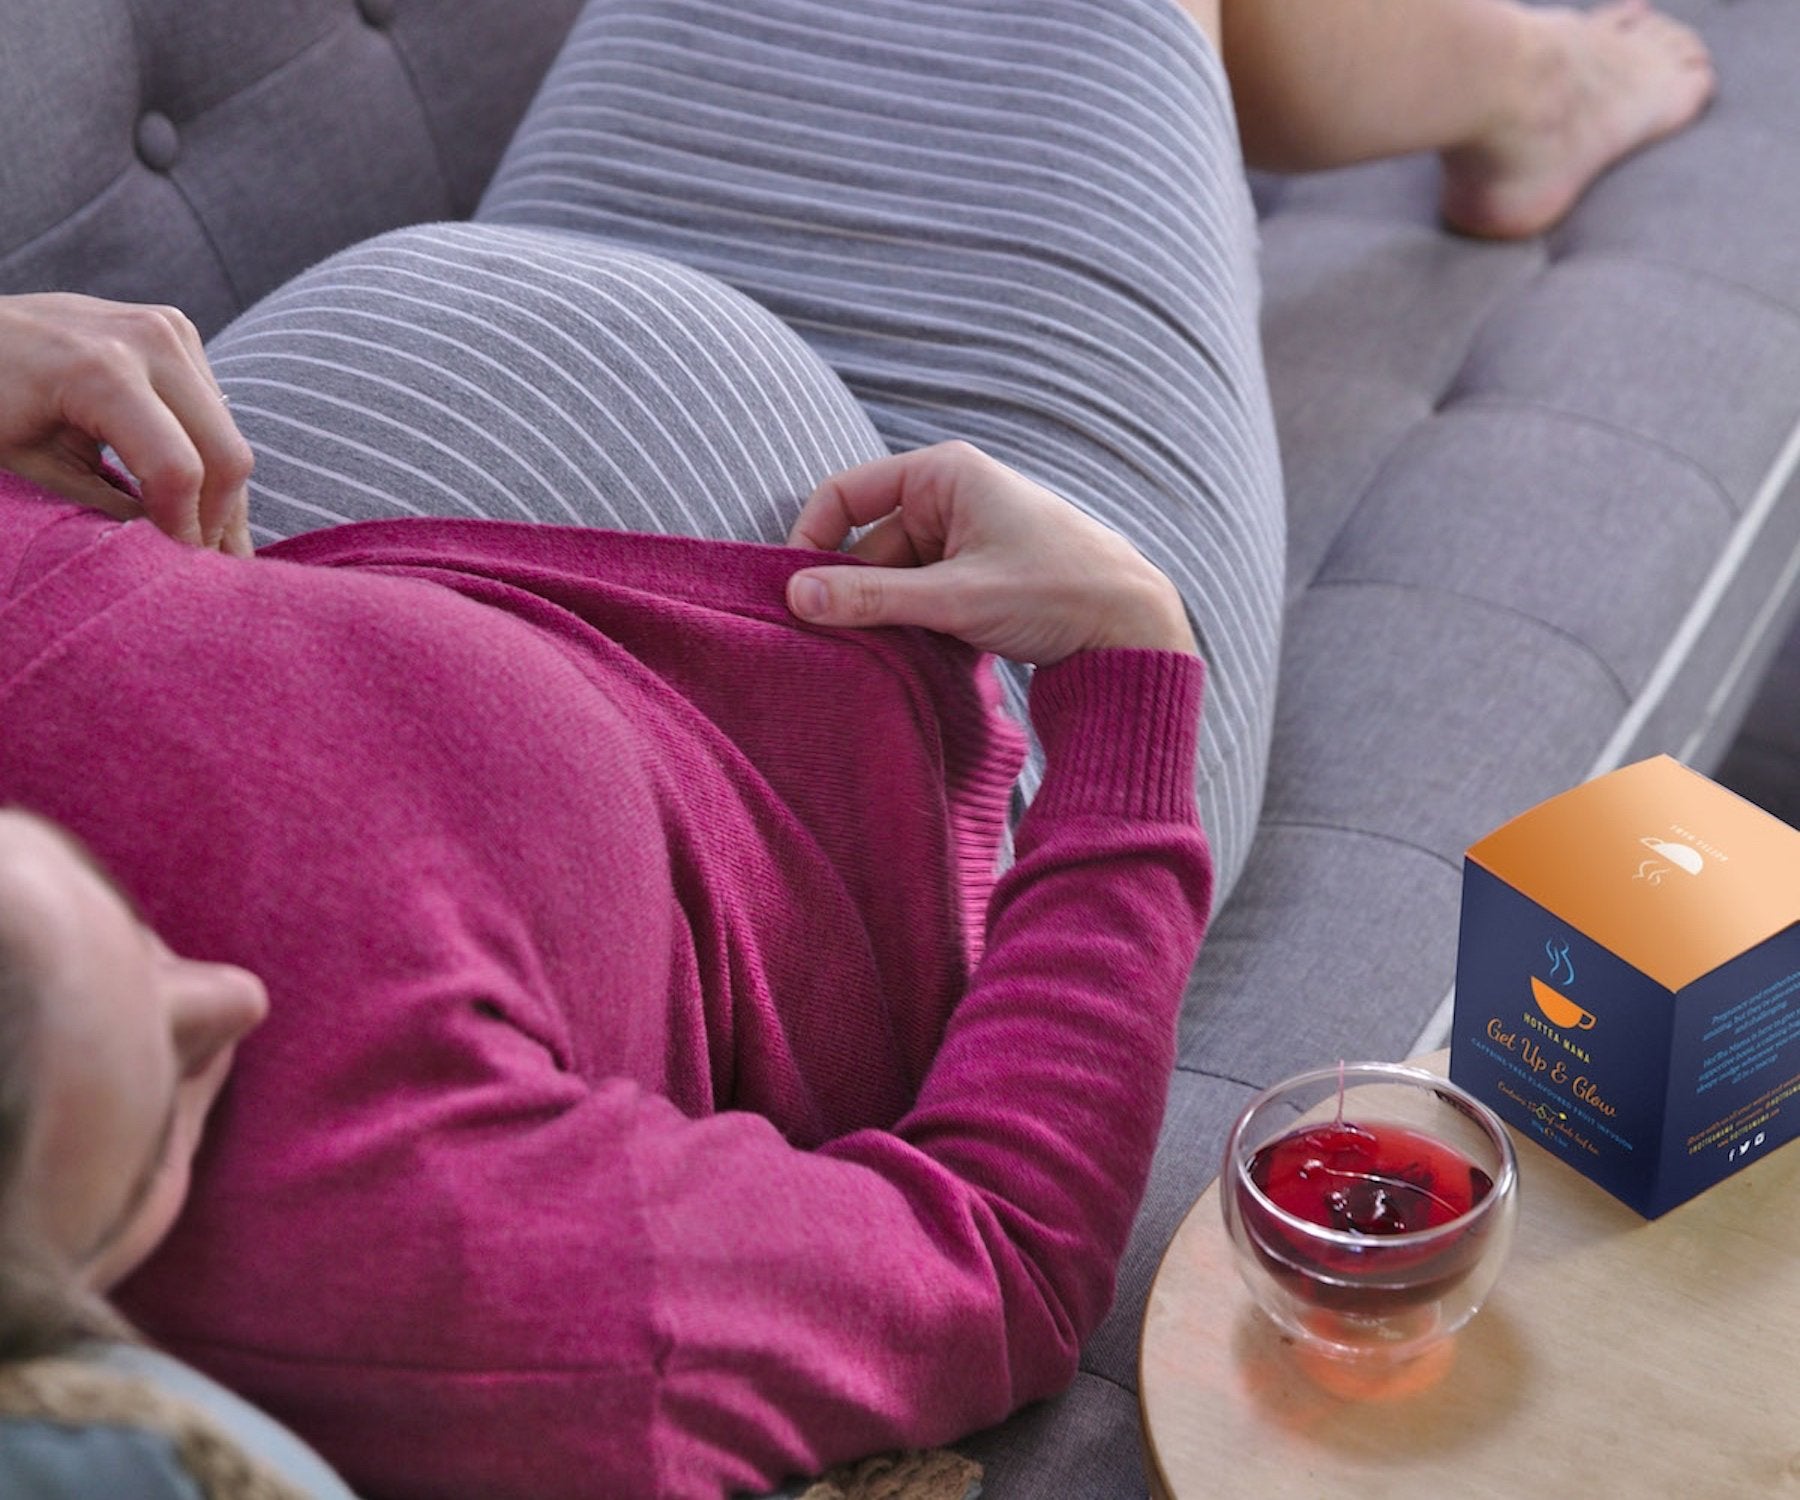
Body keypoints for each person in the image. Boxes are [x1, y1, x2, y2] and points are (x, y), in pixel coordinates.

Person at [0, 1, 1711, 1496]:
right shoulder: (456, 1293)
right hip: (974, 669)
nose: (220, 994)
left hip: (599, 314)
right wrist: (1125, 665)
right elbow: (995, 1264)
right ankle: (1522, 85)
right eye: (161, 1132)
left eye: (97, 909)